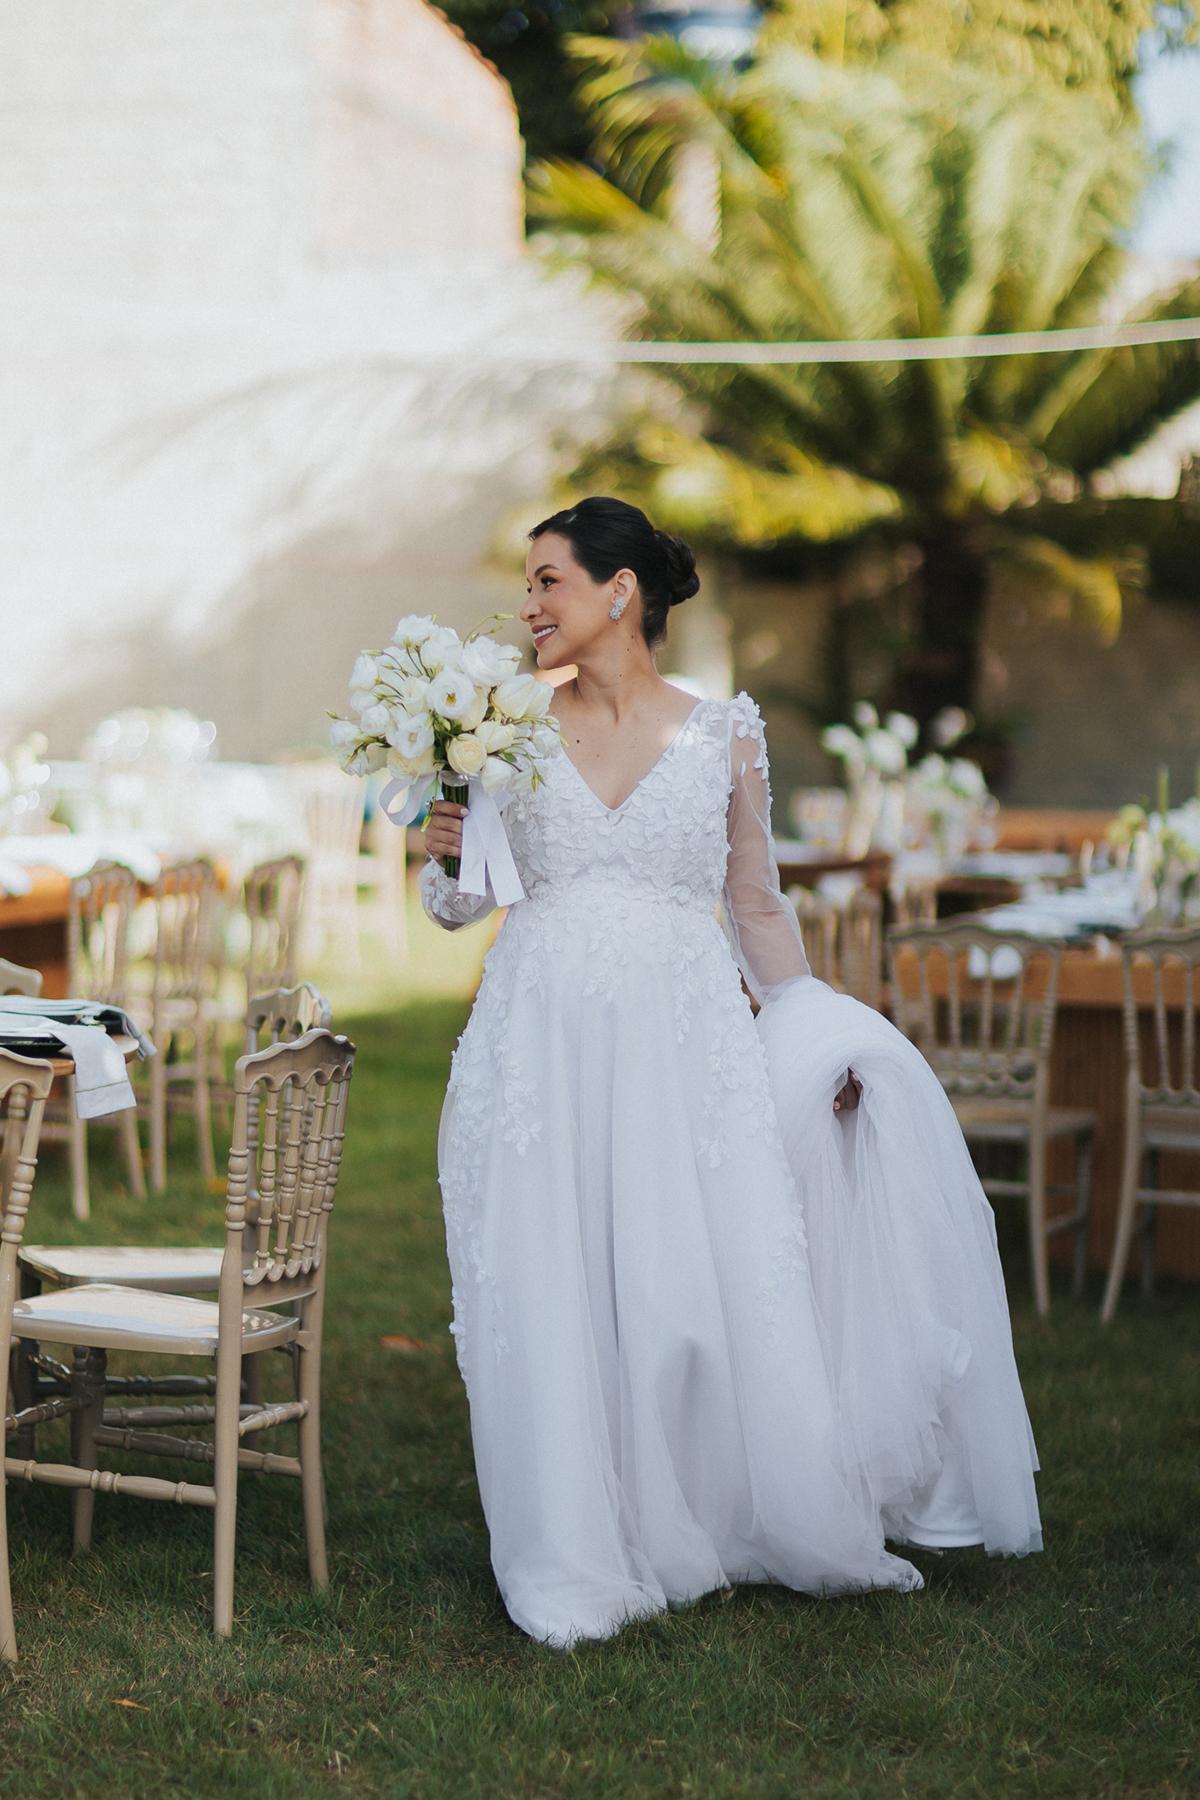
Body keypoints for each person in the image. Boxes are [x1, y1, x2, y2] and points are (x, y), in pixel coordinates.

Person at [421, 495, 1041, 1648]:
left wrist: (813, 1035)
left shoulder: (722, 734)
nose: (528, 606)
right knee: (551, 1280)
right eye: (528, 584)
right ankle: (571, 1537)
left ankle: (695, 1514)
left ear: (620, 593)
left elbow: (755, 904)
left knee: (682, 1283)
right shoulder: (502, 730)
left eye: (548, 580)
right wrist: (445, 848)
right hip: (538, 1043)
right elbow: (466, 907)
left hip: (682, 1042)